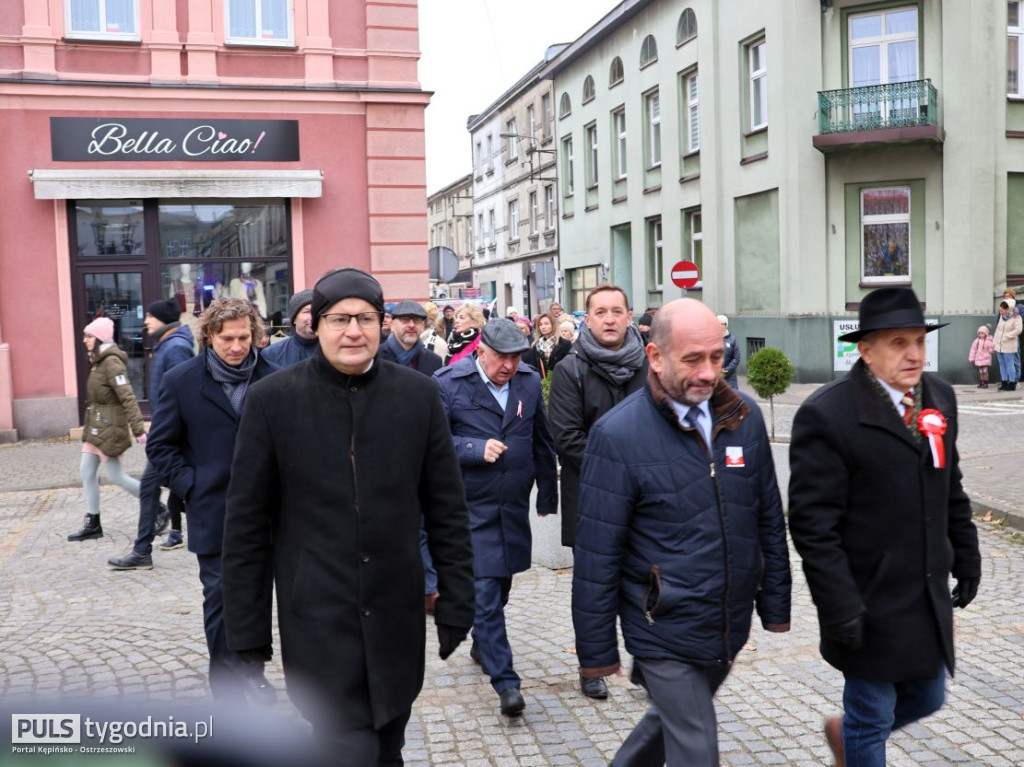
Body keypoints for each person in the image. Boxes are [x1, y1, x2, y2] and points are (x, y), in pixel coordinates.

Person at [222, 268, 474, 765]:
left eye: (364, 318)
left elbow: (447, 508)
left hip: (395, 614)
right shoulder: (272, 400)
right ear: (316, 325)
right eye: (340, 319)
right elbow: (247, 524)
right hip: (317, 616)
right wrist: (246, 632)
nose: (353, 331)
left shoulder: (418, 396)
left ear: (383, 324)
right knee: (347, 746)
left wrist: (458, 600)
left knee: (388, 745)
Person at [572, 299, 791, 765]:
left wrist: (773, 603)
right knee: (696, 746)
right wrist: (596, 652)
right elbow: (596, 555)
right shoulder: (617, 435)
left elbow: (768, 518)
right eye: (693, 359)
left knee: (670, 722)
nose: (709, 372)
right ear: (656, 357)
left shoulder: (745, 421)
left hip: (726, 620)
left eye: (716, 356)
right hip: (660, 626)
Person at [788, 287, 981, 767]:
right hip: (866, 600)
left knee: (930, 696)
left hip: (924, 592)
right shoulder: (828, 414)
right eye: (898, 343)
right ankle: (856, 739)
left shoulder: (940, 397)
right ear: (866, 351)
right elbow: (813, 525)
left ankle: (846, 735)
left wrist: (968, 554)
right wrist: (838, 605)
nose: (914, 354)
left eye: (918, 340)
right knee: (872, 718)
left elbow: (949, 484)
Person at [145, 297, 277, 704]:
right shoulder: (182, 380)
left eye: (244, 337)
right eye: (227, 339)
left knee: (258, 597)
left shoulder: (276, 378)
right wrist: (193, 486)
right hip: (214, 509)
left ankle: (252, 671)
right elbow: (161, 447)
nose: (237, 347)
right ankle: (226, 684)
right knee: (220, 597)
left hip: (271, 512)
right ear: (209, 337)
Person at [433, 319, 558, 717]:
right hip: (469, 506)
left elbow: (541, 439)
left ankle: (481, 643)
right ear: (480, 351)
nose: (508, 364)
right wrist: (472, 447)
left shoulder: (525, 381)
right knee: (485, 591)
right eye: (501, 357)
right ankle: (507, 683)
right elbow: (431, 444)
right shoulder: (448, 383)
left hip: (512, 503)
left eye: (515, 357)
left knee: (501, 583)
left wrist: (547, 495)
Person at [548, 285, 648, 700]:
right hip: (592, 498)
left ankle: (648, 663)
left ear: (629, 317)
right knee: (594, 588)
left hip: (648, 500)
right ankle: (594, 666)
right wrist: (628, 468)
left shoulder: (650, 366)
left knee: (648, 582)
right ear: (587, 320)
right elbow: (567, 439)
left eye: (616, 311)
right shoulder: (571, 370)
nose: (609, 319)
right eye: (600, 312)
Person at [106, 298, 194, 567]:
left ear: (163, 320)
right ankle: (146, 547)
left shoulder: (176, 347)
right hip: (167, 432)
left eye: (150, 316)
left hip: (171, 435)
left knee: (160, 488)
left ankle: (144, 549)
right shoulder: (168, 344)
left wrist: (170, 433)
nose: (145, 321)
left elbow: (185, 394)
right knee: (158, 488)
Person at [68, 317, 148, 542]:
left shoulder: (111, 363)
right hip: (96, 426)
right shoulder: (98, 361)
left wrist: (138, 429)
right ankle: (93, 523)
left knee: (116, 475)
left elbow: (128, 397)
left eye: (88, 336)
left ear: (100, 338)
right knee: (86, 472)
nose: (84, 340)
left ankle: (154, 505)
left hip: (110, 428)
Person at [379, 301, 443, 376]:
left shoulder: (434, 361)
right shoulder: (375, 358)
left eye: (416, 320)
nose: (411, 325)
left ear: (423, 326)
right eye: (405, 319)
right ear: (393, 325)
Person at [261, 289, 317, 368]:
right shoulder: (272, 354)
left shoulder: (334, 350)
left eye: (316, 311)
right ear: (294, 318)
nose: (313, 317)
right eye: (307, 312)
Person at [521, 313, 571, 379]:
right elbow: (532, 366)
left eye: (546, 324)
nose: (543, 327)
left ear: (553, 325)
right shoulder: (535, 345)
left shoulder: (564, 343)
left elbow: (569, 366)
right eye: (540, 324)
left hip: (560, 381)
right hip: (541, 383)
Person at [993, 297, 1022, 390]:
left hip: (1009, 344)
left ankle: (1012, 383)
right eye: (1000, 309)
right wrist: (995, 341)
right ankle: (1004, 382)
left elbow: (1018, 330)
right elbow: (998, 329)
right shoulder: (1002, 317)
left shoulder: (1017, 317)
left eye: (1002, 310)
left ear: (1009, 309)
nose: (1001, 311)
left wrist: (1007, 336)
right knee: (1002, 364)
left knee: (1009, 364)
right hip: (999, 344)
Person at [718, 314, 740, 390]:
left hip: (730, 377)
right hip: (716, 375)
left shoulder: (732, 339)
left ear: (726, 325)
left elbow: (736, 357)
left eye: (722, 324)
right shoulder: (712, 339)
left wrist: (727, 370)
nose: (719, 326)